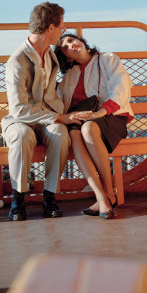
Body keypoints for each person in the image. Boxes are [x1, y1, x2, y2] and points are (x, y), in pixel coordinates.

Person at [1, 3, 79, 221]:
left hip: (46, 116)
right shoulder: (16, 62)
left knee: (60, 133)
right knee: (22, 135)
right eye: (62, 28)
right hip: (21, 119)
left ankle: (49, 196)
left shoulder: (50, 54)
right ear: (51, 27)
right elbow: (19, 108)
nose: (63, 32)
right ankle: (18, 199)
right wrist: (59, 117)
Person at [55, 33, 133, 219]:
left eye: (72, 40)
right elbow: (59, 101)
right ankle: (101, 197)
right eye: (65, 47)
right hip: (82, 123)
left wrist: (101, 112)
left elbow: (121, 88)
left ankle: (108, 193)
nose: (71, 45)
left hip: (112, 117)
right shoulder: (68, 78)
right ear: (67, 58)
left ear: (81, 41)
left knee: (88, 128)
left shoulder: (107, 59)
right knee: (75, 133)